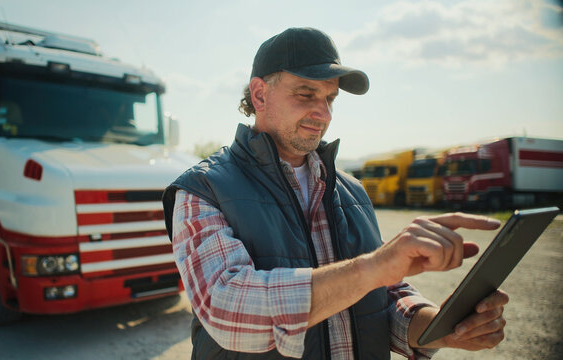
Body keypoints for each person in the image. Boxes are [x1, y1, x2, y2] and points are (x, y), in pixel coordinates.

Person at [162, 27, 508, 359]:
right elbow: (227, 309)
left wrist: (442, 328)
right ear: (259, 94)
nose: (324, 113)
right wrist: (372, 267)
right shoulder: (202, 189)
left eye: (330, 98)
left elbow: (380, 300)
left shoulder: (351, 189)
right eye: (306, 94)